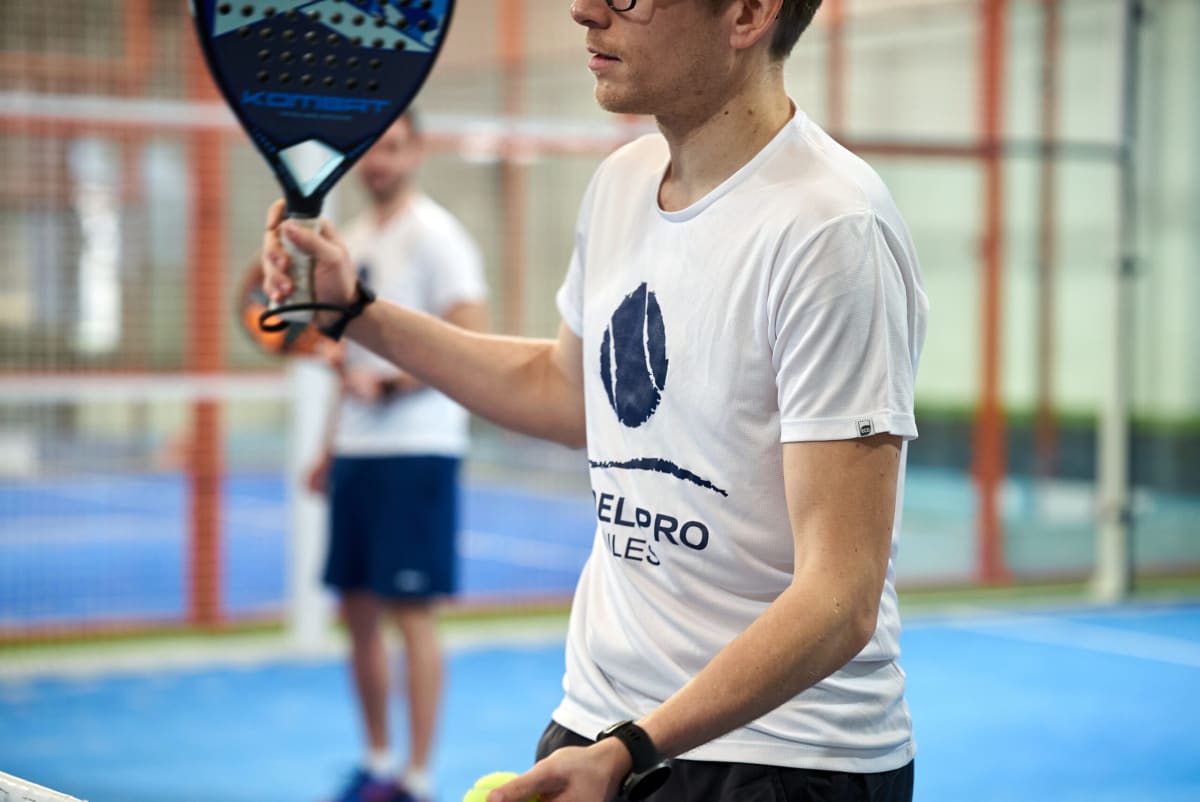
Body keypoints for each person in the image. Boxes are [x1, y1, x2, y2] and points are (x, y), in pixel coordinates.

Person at [262, 0, 928, 799]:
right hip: (598, 724)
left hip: (781, 759)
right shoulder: (620, 182)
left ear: (749, 13)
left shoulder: (832, 229)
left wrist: (632, 749)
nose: (584, 10)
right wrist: (355, 313)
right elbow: (563, 392)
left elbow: (840, 597)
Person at [304, 112, 489, 802]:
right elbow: (348, 356)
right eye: (370, 149)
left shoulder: (437, 235)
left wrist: (389, 386)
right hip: (358, 453)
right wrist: (329, 447)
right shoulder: (350, 241)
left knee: (412, 617)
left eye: (392, 147)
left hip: (419, 451)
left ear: (416, 152)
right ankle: (377, 763)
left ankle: (417, 779)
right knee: (355, 614)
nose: (378, 161)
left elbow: (471, 337)